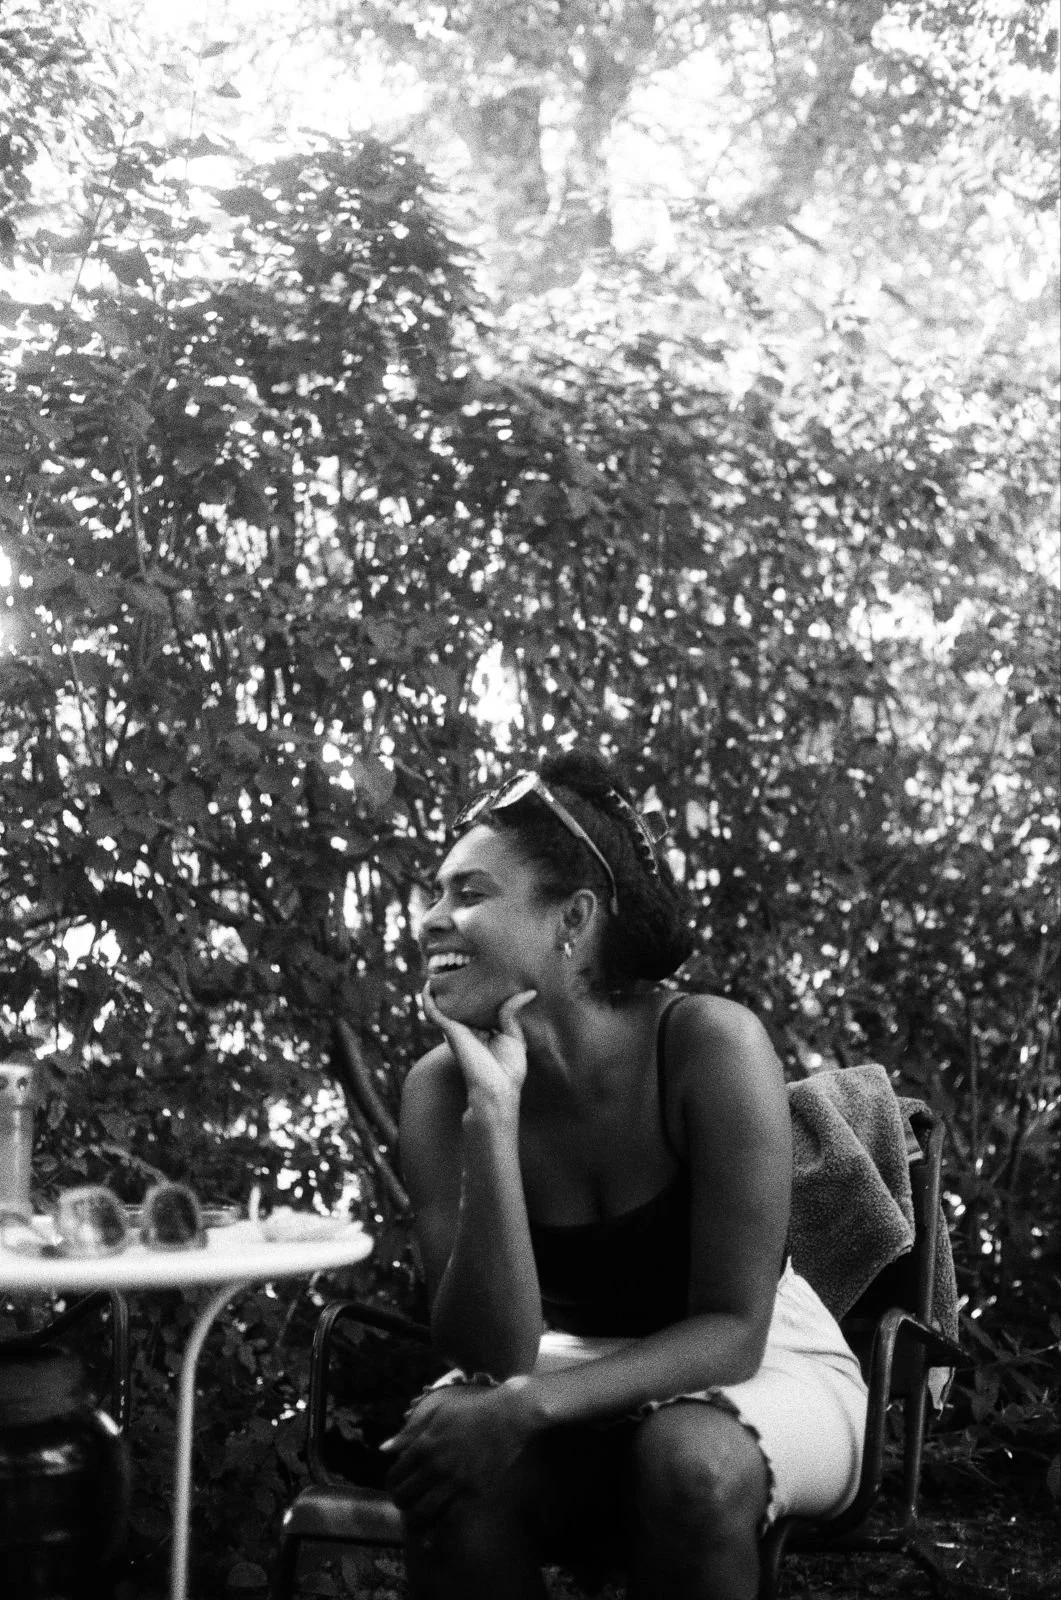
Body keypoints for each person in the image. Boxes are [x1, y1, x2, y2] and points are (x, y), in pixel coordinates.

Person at [381, 750, 867, 1600]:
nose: (429, 919)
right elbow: (481, 1357)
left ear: (572, 919)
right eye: (436, 892)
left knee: (690, 1462)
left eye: (469, 893)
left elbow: (731, 1329)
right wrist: (492, 1116)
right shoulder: (439, 1091)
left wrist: (526, 1407)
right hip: (558, 1365)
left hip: (761, 1369)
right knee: (453, 1481)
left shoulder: (707, 1046)